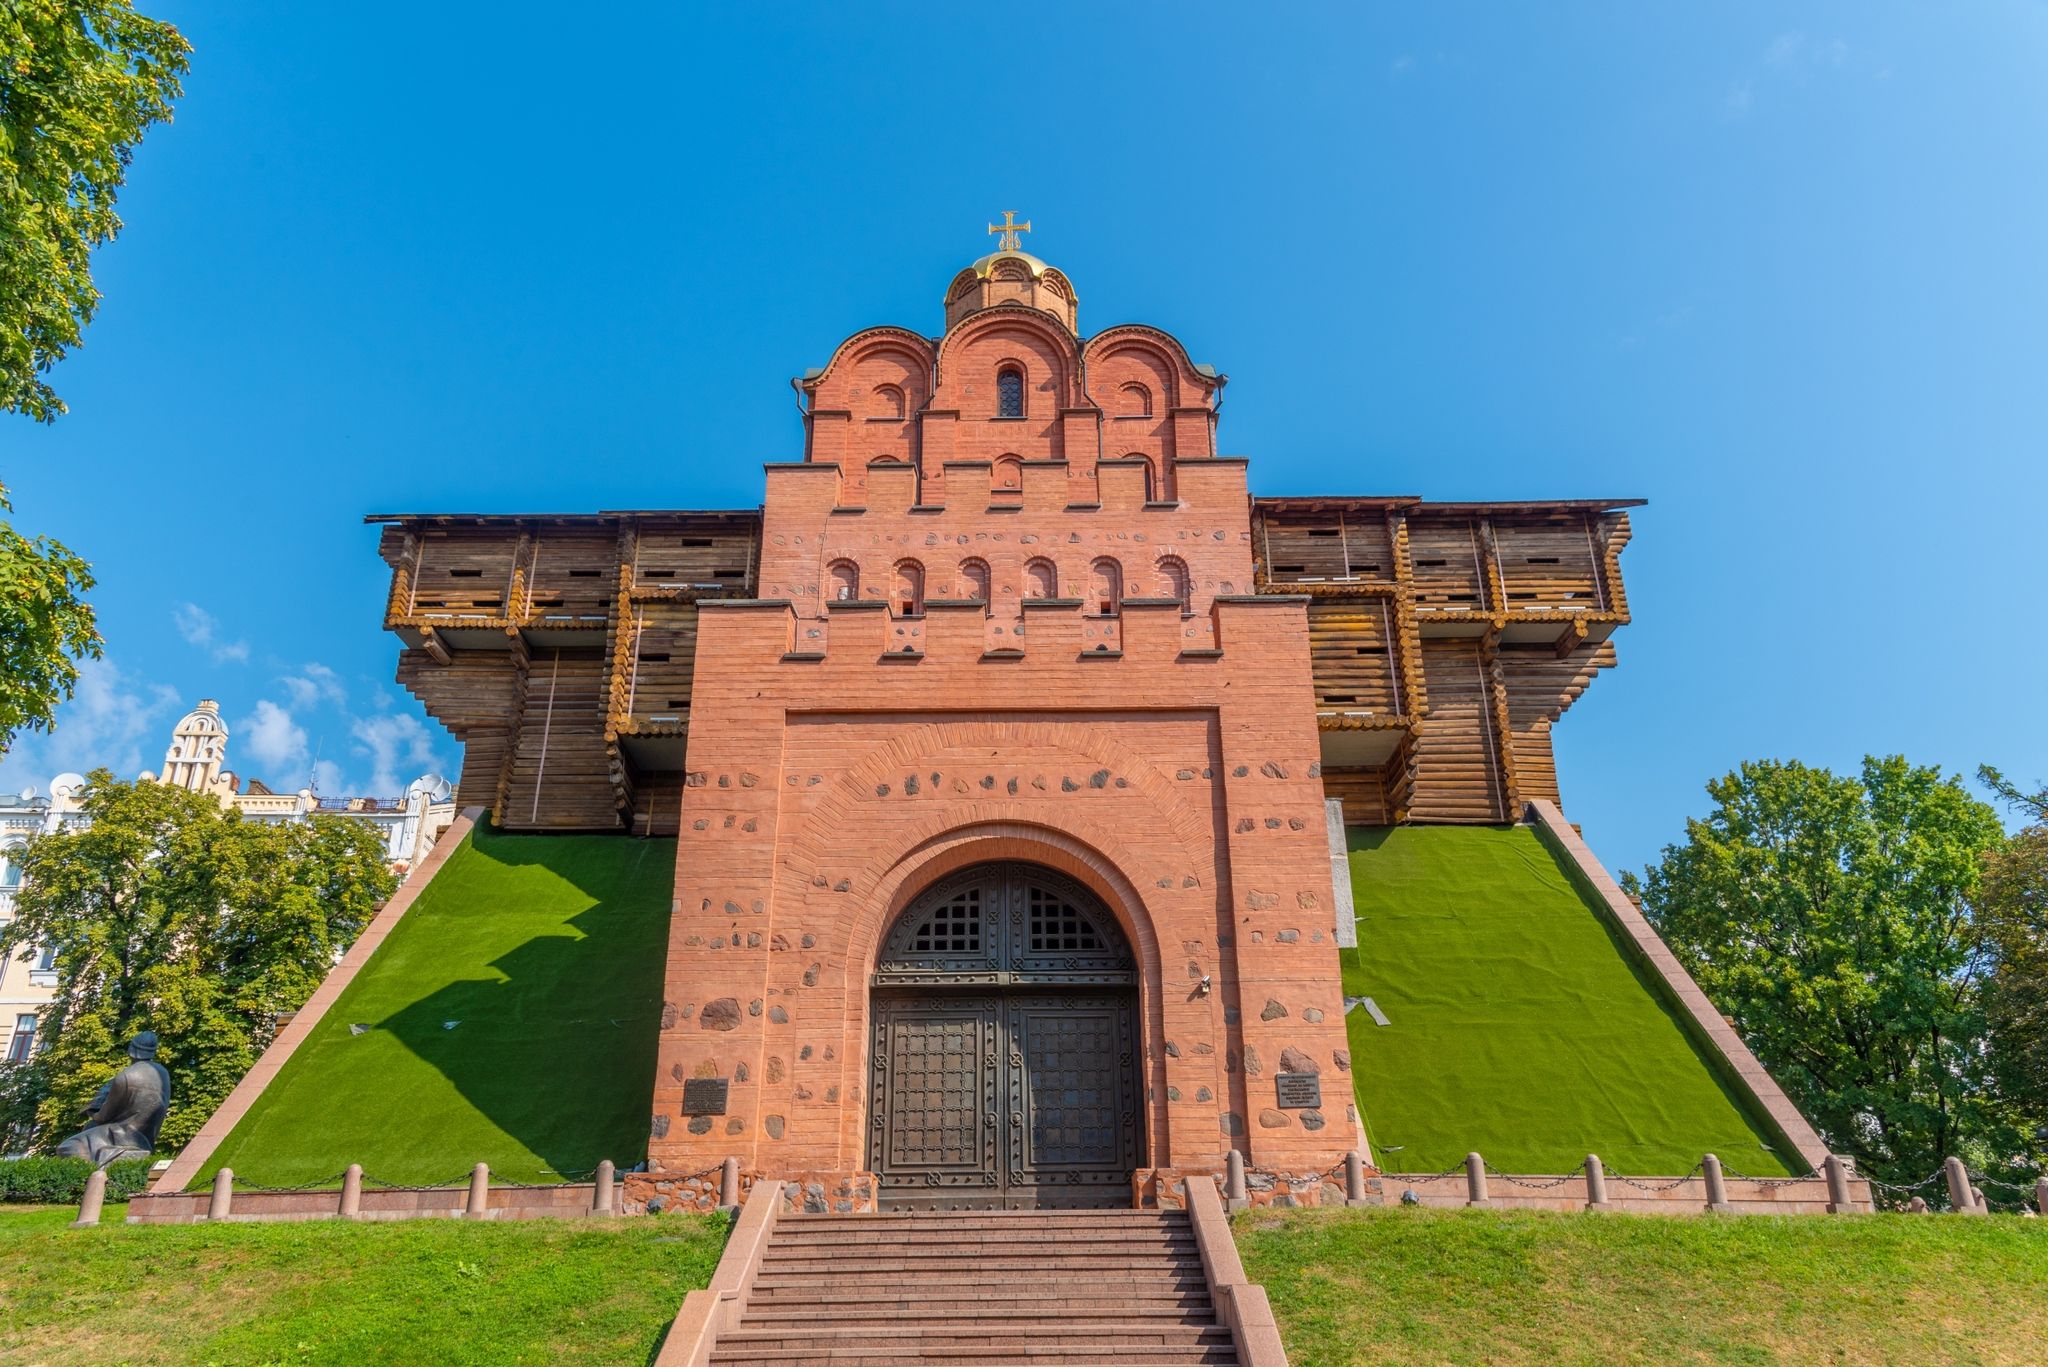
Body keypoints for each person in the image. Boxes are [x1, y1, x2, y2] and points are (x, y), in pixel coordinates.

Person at [54, 1032, 172, 1165]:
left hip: (122, 1134)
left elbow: (104, 1116)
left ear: (130, 1050)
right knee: (90, 1128)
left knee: (69, 1146)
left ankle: (87, 1177)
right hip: (146, 1136)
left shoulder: (125, 1077)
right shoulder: (163, 1073)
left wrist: (92, 1111)